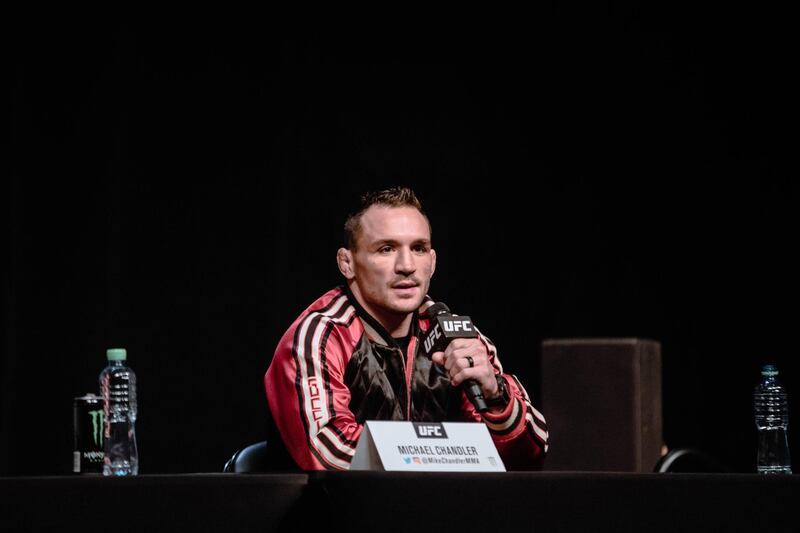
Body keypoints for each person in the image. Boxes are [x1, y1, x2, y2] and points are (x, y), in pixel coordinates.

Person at [263, 187, 548, 470]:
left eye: (419, 248)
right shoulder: (321, 336)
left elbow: (531, 455)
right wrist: (442, 456)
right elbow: (328, 455)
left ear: (432, 262)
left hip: (441, 510)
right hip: (336, 513)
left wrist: (496, 394)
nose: (407, 265)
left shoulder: (457, 337)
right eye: (386, 249)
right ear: (347, 263)